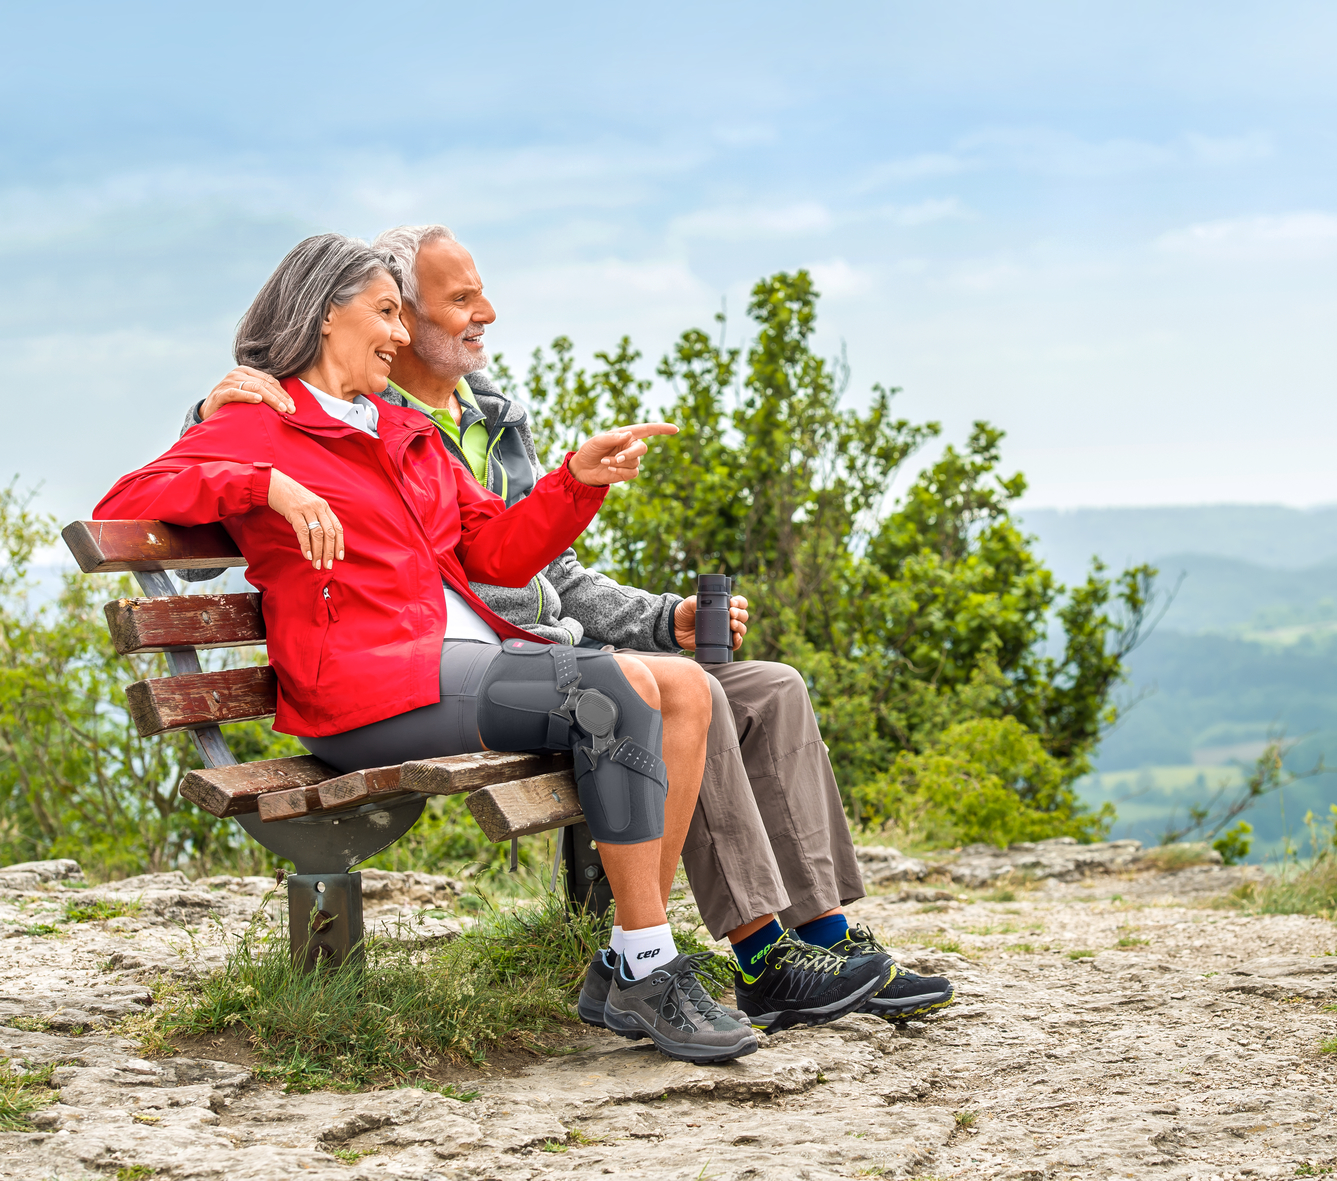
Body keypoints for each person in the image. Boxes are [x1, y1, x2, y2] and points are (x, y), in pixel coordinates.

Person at [98, 233, 879, 1064]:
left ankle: (626, 956)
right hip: (366, 690)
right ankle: (651, 968)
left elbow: (496, 553)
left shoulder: (405, 432)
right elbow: (131, 499)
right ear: (327, 315)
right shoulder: (263, 422)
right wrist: (266, 482)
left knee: (682, 689)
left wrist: (576, 479)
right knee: (609, 693)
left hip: (458, 669)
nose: (398, 337)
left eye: (403, 316)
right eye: (387, 313)